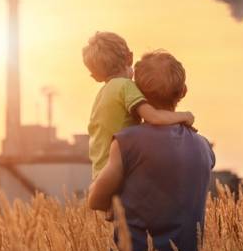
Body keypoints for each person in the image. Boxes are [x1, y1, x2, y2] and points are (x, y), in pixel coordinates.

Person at [87, 50, 215, 251]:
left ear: (136, 91)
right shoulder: (204, 147)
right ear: (183, 92)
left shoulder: (127, 142)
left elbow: (95, 200)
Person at [82, 32, 195, 183]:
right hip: (118, 174)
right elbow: (154, 117)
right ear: (130, 57)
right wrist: (185, 116)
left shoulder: (104, 93)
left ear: (95, 76)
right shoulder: (125, 87)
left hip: (100, 175)